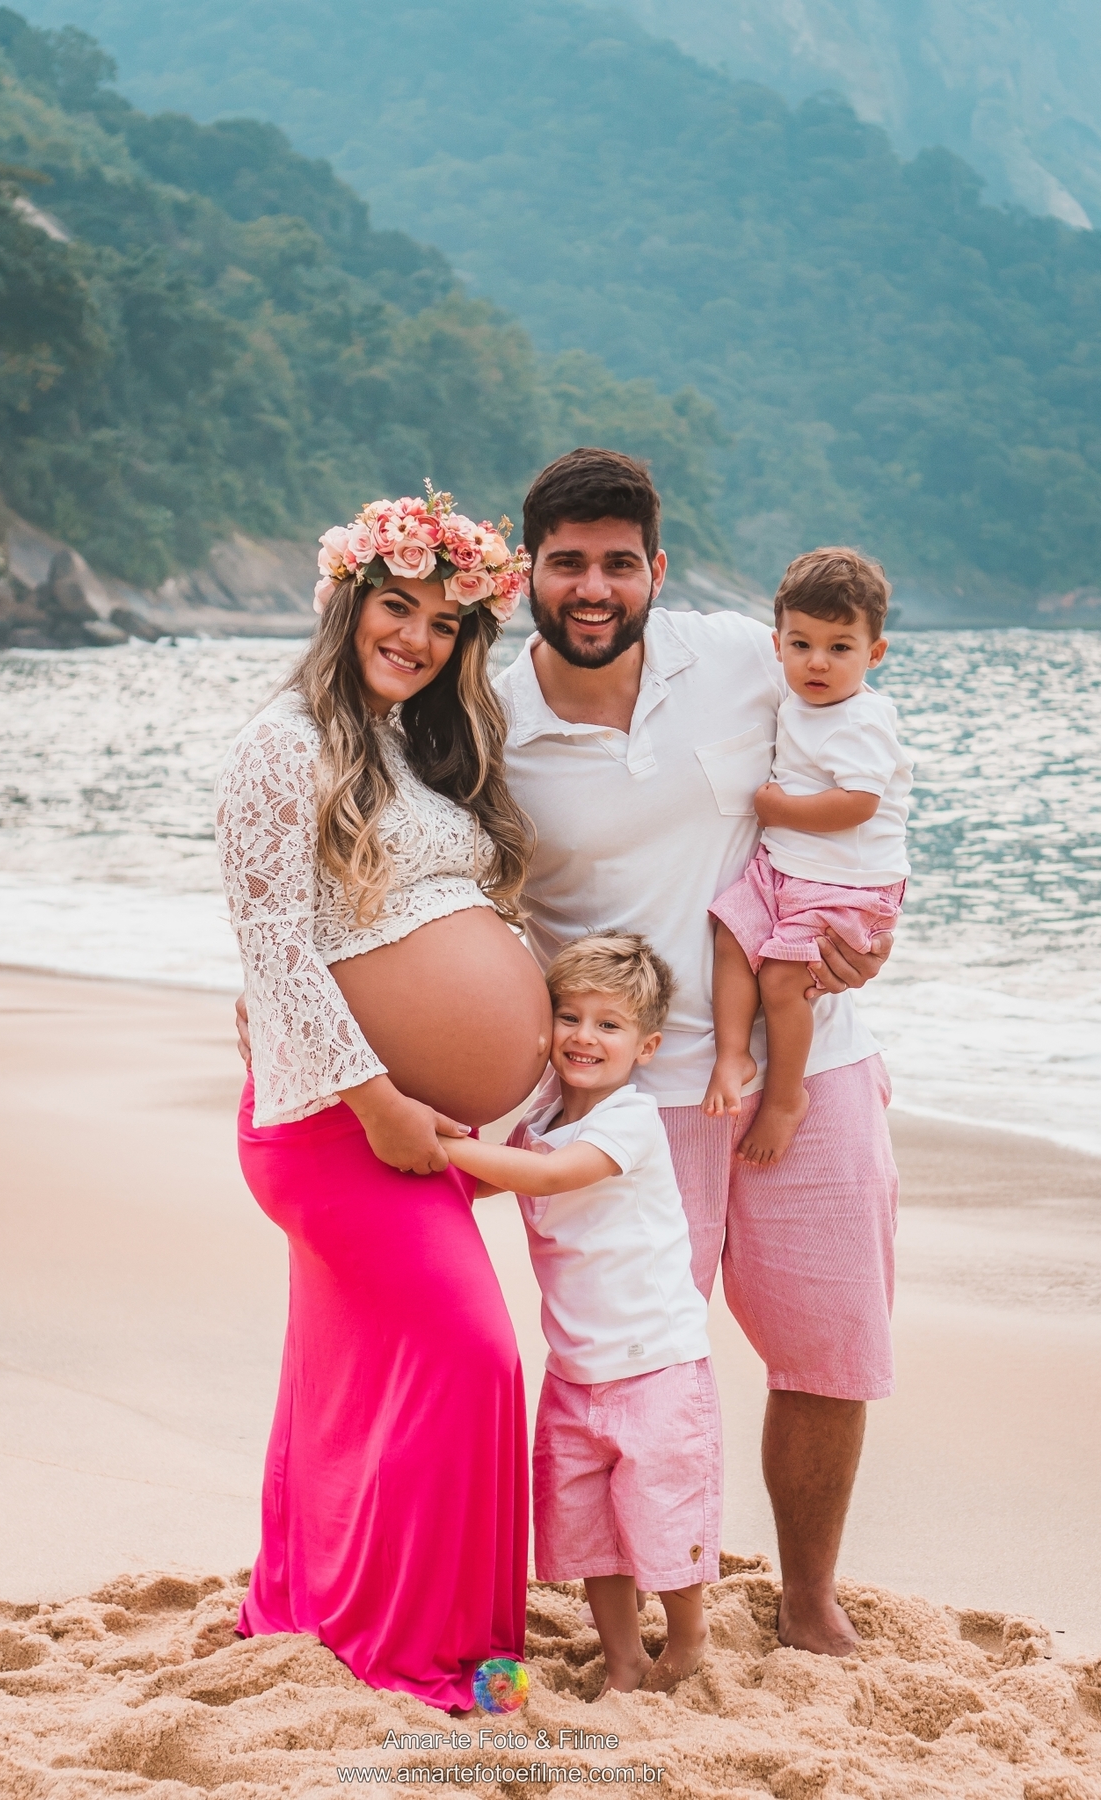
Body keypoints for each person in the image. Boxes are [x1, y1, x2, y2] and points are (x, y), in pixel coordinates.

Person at [494, 448, 899, 1658]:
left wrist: (870, 921)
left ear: (655, 569)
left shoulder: (738, 658)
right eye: (567, 563)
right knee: (623, 1370)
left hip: (807, 1062)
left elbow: (862, 758)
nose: (594, 586)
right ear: (531, 573)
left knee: (830, 1344)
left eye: (619, 562)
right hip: (620, 1099)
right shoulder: (487, 720)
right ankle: (636, 1615)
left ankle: (808, 1591)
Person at [215, 488, 552, 1712]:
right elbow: (274, 943)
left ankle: (308, 1610)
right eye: (394, 607)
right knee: (471, 1361)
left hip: (408, 1125)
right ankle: (432, 1662)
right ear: (349, 603)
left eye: (443, 622)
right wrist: (381, 1106)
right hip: (337, 1123)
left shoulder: (422, 748)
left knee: (348, 1377)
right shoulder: (283, 741)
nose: (414, 636)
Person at [439, 932, 718, 1698]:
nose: (585, 1037)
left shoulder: (631, 1120)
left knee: (661, 1519)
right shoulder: (544, 1116)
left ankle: (689, 1639)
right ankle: (623, 1656)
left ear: (647, 1045)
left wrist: (444, 1147)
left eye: (609, 1024)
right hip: (574, 1370)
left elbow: (552, 1173)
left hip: (654, 1363)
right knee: (585, 1528)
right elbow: (506, 1175)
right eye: (570, 1016)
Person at [704, 549, 913, 1167]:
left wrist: (778, 810)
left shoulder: (862, 720)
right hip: (788, 869)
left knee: (783, 976)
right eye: (801, 644)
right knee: (731, 932)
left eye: (840, 648)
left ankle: (786, 1096)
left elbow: (858, 804)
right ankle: (733, 1052)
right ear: (777, 643)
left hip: (847, 884)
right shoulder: (796, 697)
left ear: (874, 653)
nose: (817, 662)